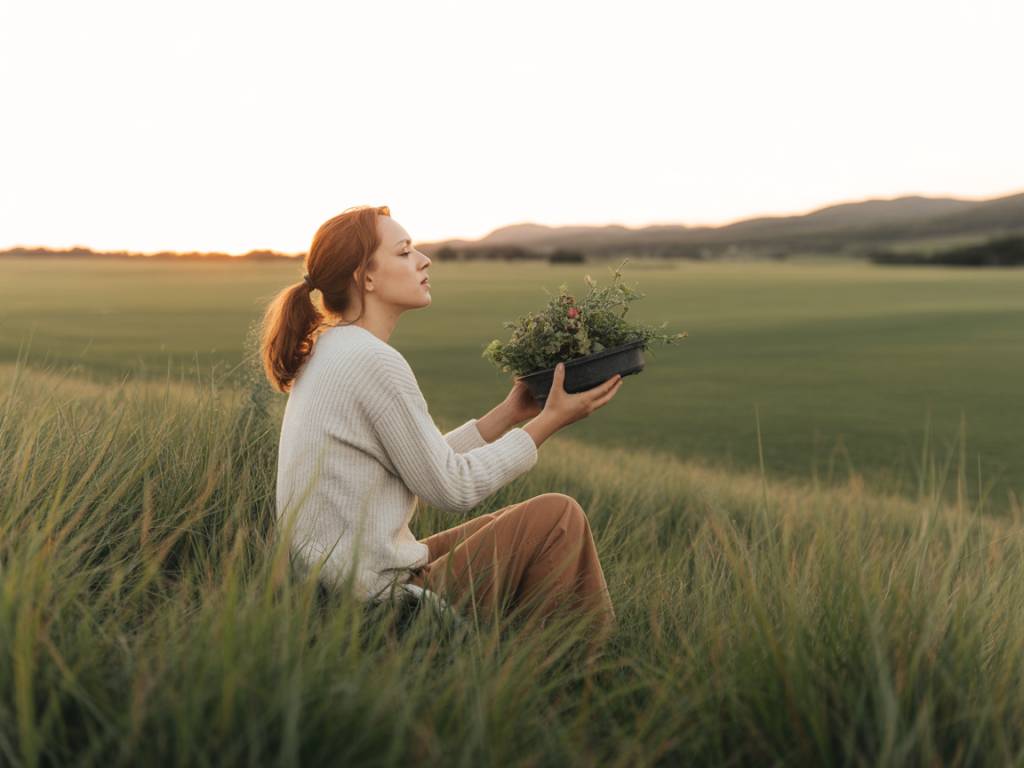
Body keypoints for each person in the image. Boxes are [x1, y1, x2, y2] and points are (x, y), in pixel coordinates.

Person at [261, 204, 622, 647]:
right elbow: (452, 488)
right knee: (558, 517)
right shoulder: (372, 361)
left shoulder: (332, 348)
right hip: (375, 607)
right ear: (365, 277)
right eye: (404, 251)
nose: (423, 259)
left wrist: (509, 414)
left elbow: (423, 464)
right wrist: (547, 424)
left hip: (341, 585)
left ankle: (538, 658)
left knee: (514, 520)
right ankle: (580, 671)